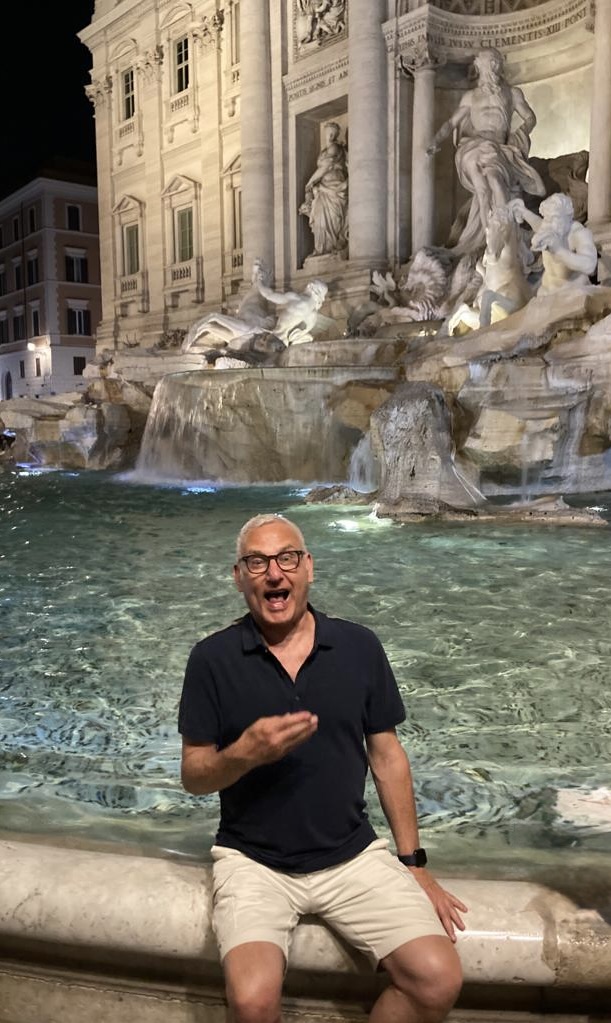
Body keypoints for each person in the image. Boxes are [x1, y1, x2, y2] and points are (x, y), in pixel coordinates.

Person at [179, 513, 467, 1023]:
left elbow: (387, 756)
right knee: (251, 1001)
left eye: (287, 558)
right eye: (257, 562)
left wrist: (414, 863)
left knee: (437, 979)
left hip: (352, 855)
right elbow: (194, 775)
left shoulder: (359, 646)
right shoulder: (211, 659)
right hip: (254, 862)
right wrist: (243, 754)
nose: (274, 573)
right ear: (238, 576)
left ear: (308, 567)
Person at [427, 48, 545, 254]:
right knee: (482, 191)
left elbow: (530, 118)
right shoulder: (470, 96)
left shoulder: (512, 93)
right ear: (478, 66)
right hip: (473, 147)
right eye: (488, 62)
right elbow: (452, 122)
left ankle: (506, 238)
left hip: (498, 148)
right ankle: (490, 242)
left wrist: (519, 134)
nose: (492, 66)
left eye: (495, 62)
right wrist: (436, 140)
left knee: (496, 183)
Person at [508, 192, 598, 296]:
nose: (551, 225)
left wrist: (558, 250)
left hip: (573, 288)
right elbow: (538, 224)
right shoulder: (551, 226)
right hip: (547, 290)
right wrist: (523, 212)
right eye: (547, 219)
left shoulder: (579, 233)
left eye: (555, 218)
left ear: (568, 216)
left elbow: (589, 265)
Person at [300, 121, 348, 258]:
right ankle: (321, 248)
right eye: (328, 132)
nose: (330, 135)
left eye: (333, 133)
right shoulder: (323, 151)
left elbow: (327, 166)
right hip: (323, 188)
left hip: (334, 186)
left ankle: (331, 246)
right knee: (319, 215)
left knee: (333, 218)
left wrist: (310, 182)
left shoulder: (334, 148)